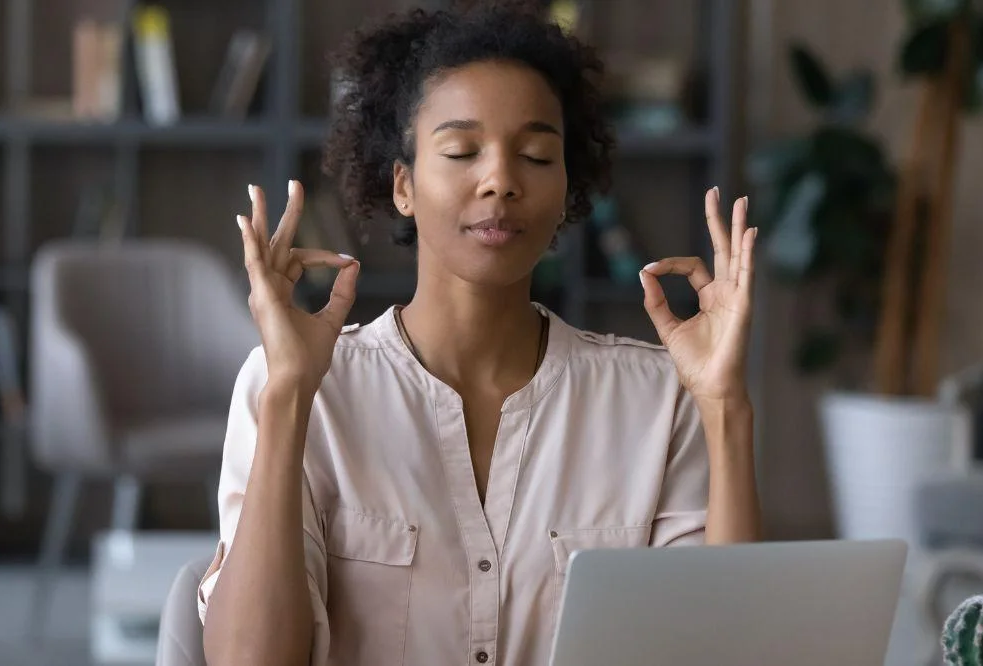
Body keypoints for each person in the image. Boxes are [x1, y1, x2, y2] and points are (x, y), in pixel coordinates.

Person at [199, 4, 761, 665]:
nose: (500, 181)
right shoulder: (295, 386)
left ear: (565, 190)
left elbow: (725, 649)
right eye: (461, 152)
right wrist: (291, 394)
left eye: (536, 155)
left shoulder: (658, 399)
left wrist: (724, 404)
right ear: (403, 185)